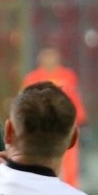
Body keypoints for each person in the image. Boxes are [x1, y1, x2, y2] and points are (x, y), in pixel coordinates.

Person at [21, 46, 87, 187]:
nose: (49, 59)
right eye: (46, 56)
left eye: (52, 56)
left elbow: (75, 99)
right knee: (39, 159)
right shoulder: (33, 78)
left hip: (64, 125)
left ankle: (71, 191)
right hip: (41, 127)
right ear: (40, 59)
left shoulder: (68, 76)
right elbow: (25, 103)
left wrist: (81, 119)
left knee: (70, 163)